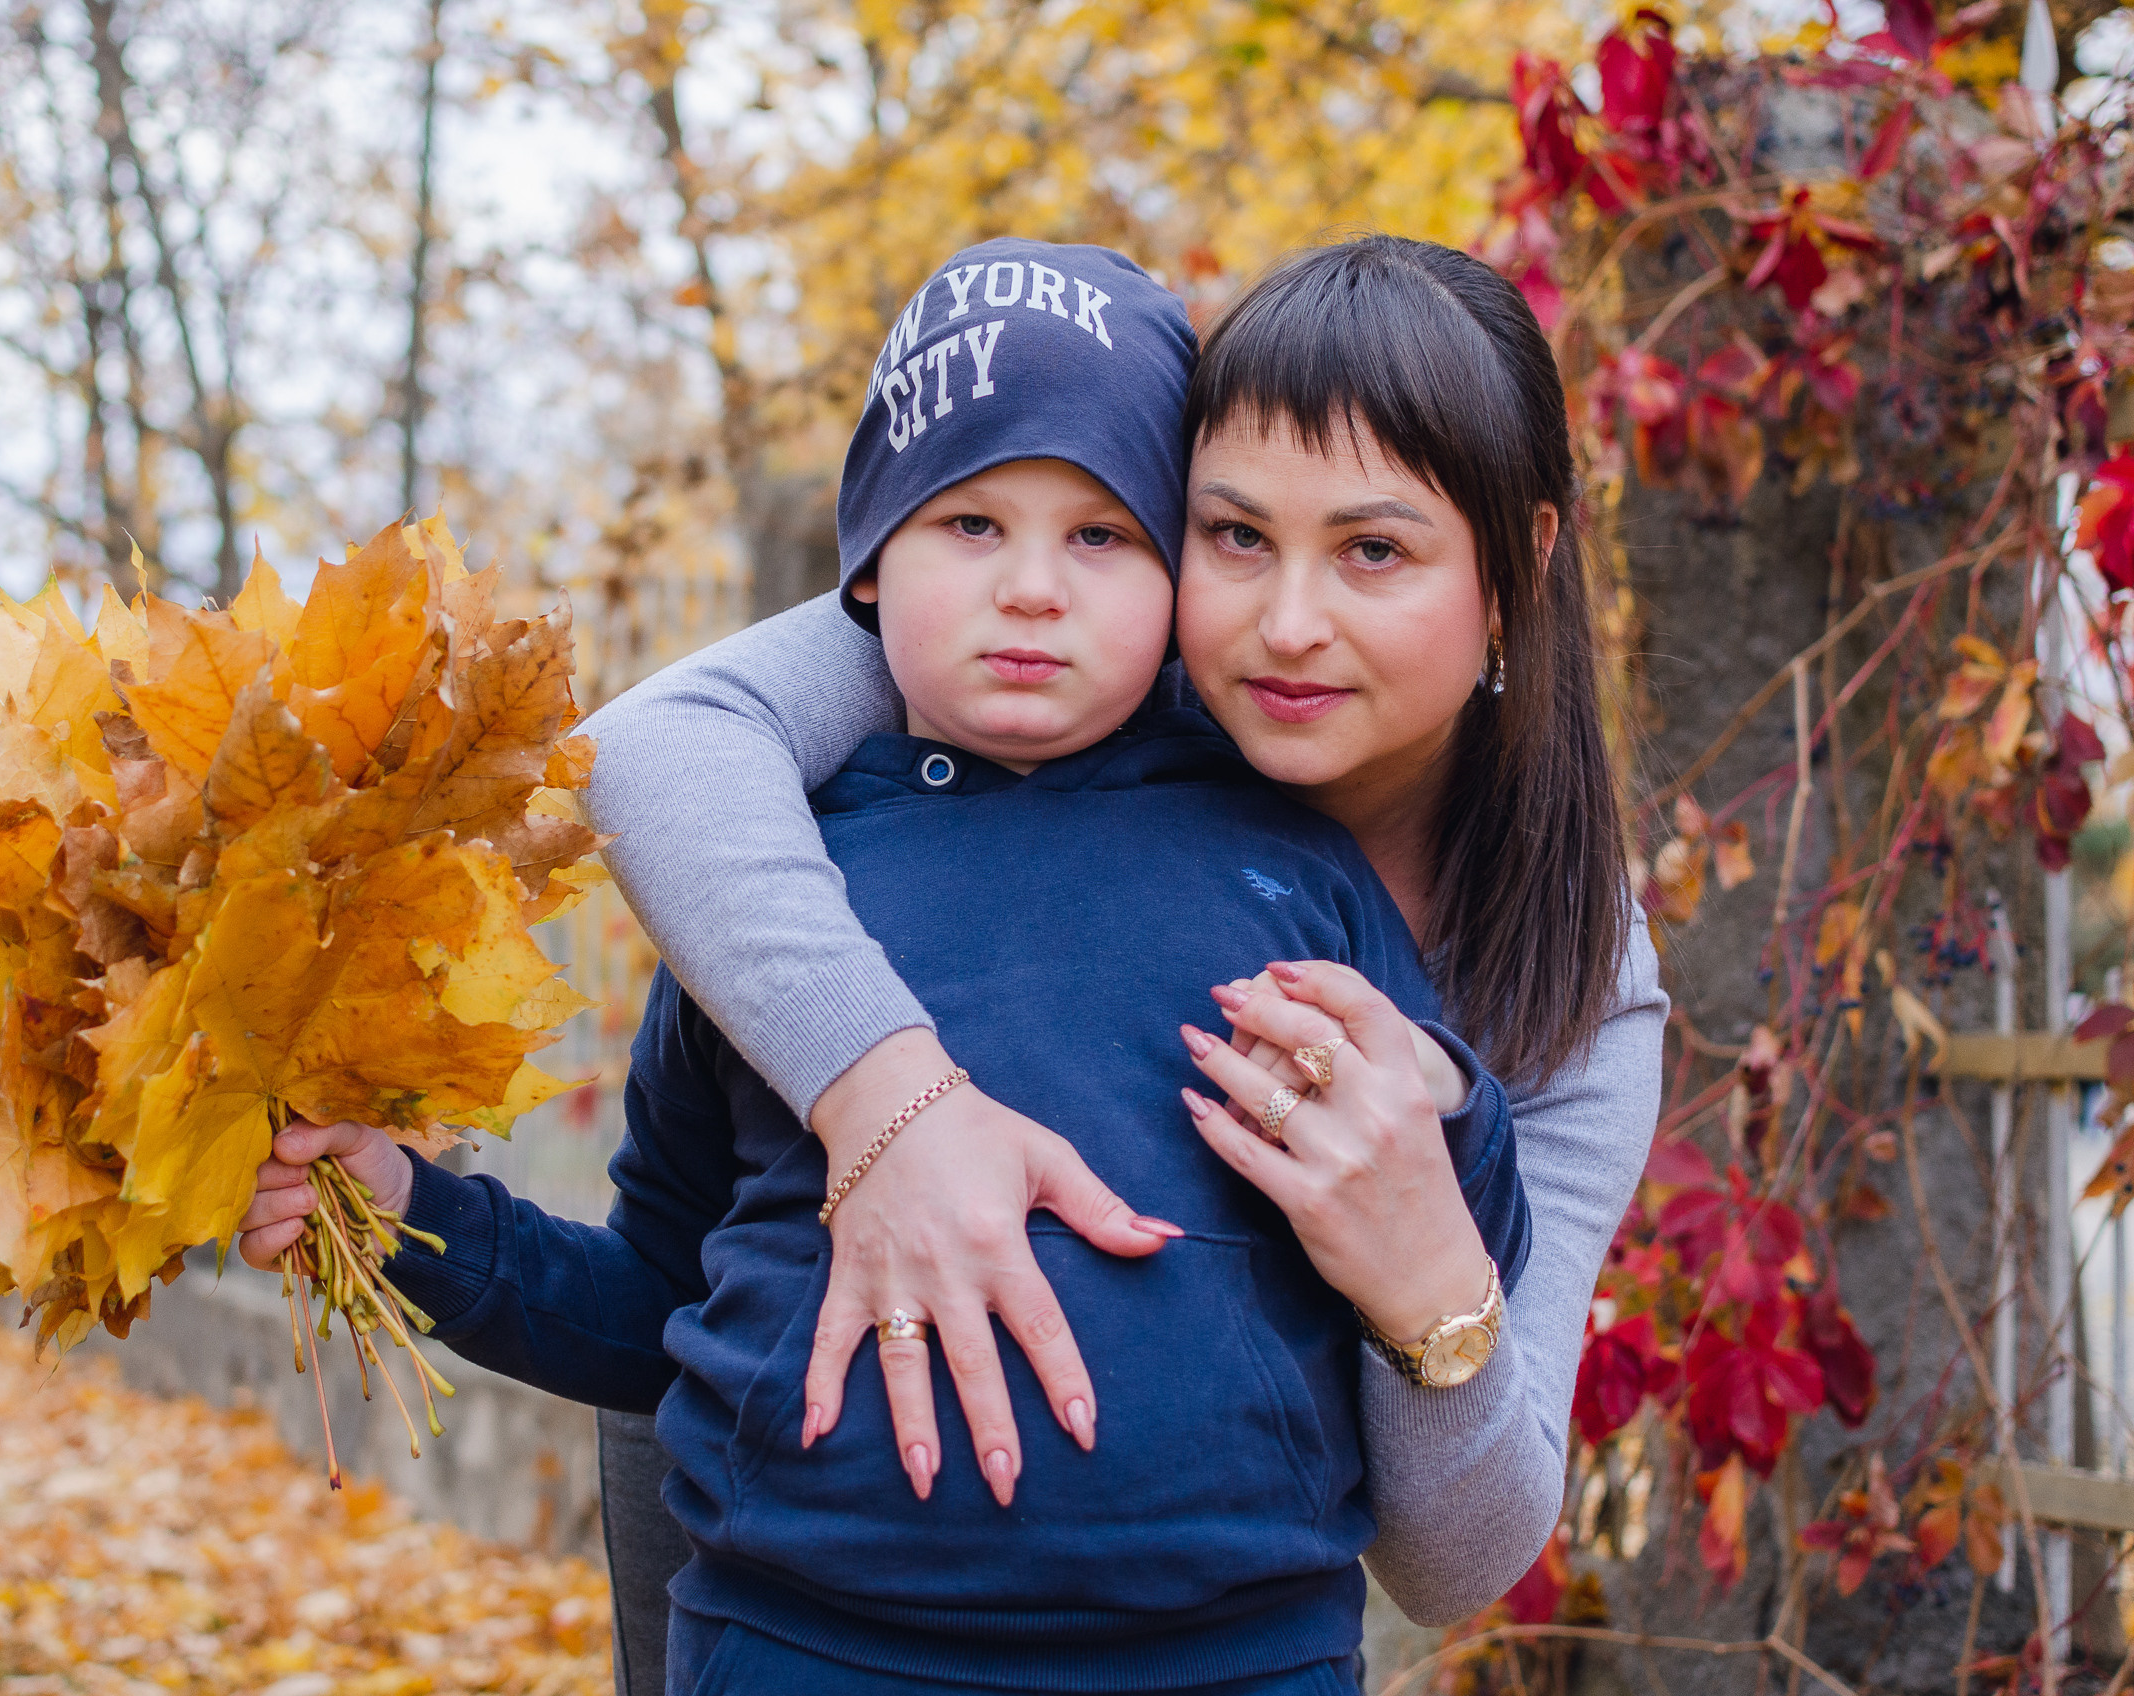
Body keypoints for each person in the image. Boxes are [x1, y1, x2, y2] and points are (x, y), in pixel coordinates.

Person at [245, 238, 1534, 1695]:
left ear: (1178, 570)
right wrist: (414, 1215)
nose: (1034, 588)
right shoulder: (777, 898)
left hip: (1235, 1654)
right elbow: (653, 1303)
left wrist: (1448, 1098)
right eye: (969, 524)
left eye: (1105, 536)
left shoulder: (1289, 864)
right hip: (807, 1643)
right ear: (867, 564)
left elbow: (1453, 1203)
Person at [566, 234, 1667, 1679]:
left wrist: (1425, 1283)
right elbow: (658, 744)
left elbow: (1457, 1556)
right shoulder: (1059, 666)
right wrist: (891, 1101)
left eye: (1375, 550)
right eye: (1233, 535)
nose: (1285, 625)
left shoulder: (1569, 980)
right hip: (779, 1543)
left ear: (1519, 563)